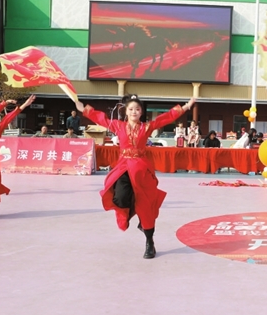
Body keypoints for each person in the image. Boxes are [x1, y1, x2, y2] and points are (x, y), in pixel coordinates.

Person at [76, 94, 196, 259]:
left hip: (141, 169)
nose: (134, 112)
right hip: (124, 167)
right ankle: (131, 210)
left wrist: (186, 106)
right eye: (131, 109)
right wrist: (84, 109)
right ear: (126, 111)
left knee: (145, 207)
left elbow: (165, 118)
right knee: (120, 199)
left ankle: (149, 242)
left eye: (137, 109)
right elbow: (101, 119)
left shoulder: (146, 127)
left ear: (141, 112)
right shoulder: (118, 125)